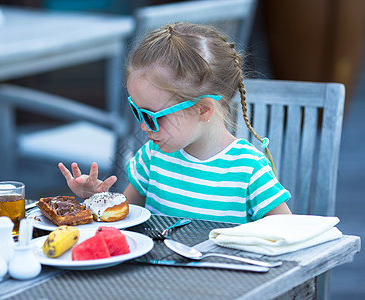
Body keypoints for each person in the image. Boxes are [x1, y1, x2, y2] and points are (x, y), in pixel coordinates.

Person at [59, 22, 291, 224]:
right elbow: (125, 217)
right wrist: (95, 199)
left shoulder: (248, 170)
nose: (143, 126)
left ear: (203, 110)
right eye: (137, 112)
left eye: (154, 116)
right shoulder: (153, 156)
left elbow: (289, 235)